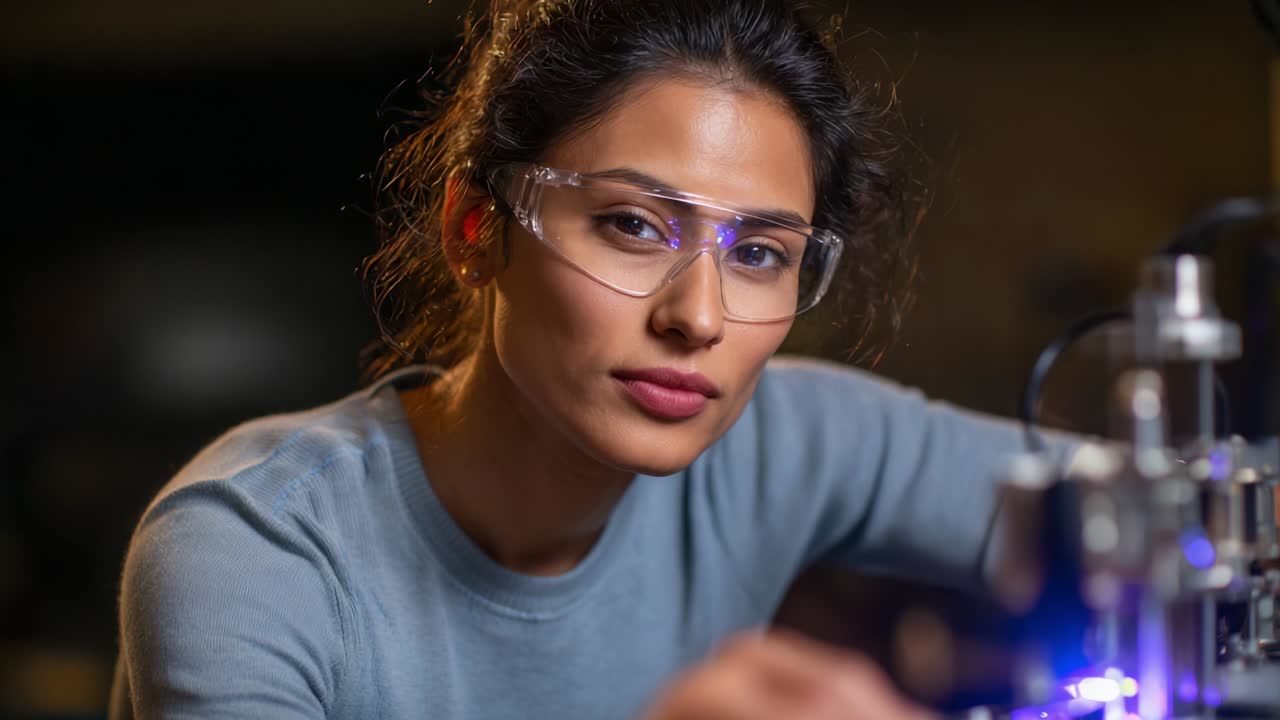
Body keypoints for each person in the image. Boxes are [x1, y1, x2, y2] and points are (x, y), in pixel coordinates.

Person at [109, 1, 1075, 718]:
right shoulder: (254, 550)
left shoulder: (791, 441)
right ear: (475, 228)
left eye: (758, 254)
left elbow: (1147, 518)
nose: (699, 318)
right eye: (632, 225)